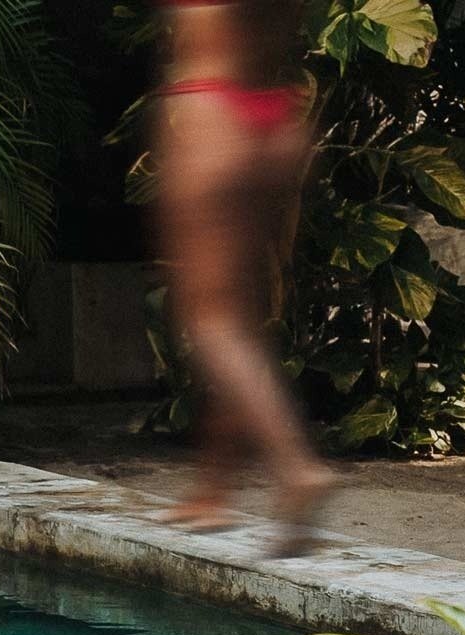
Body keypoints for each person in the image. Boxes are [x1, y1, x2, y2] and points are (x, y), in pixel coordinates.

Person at [152, 0, 335, 556]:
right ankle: (214, 491)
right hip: (273, 118)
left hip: (211, 115)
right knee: (239, 325)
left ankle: (297, 469)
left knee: (210, 324)